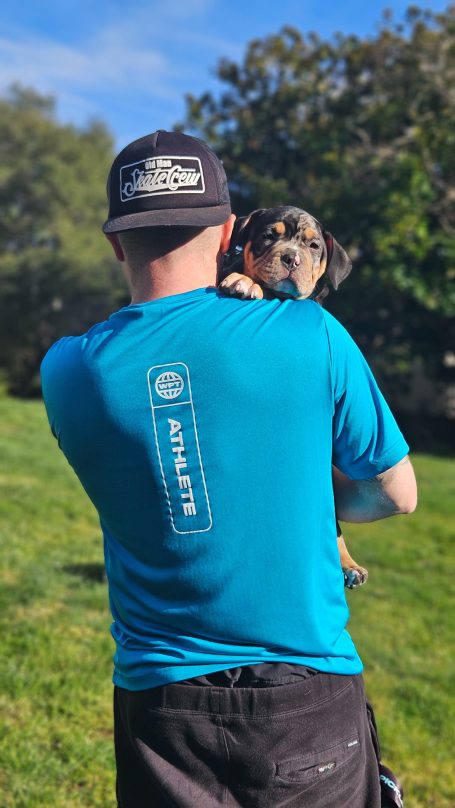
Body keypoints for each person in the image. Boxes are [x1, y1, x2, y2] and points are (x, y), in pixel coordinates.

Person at [40, 130, 417, 808]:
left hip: (160, 702)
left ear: (116, 243)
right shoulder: (311, 333)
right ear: (225, 234)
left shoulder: (68, 369)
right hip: (304, 688)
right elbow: (396, 494)